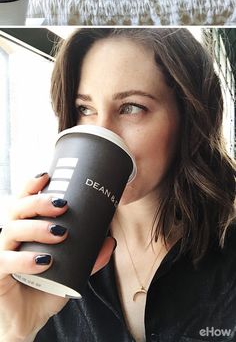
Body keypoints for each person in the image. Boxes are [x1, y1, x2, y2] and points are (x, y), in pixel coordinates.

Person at [0, 27, 235, 342]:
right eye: (85, 109)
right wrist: (17, 330)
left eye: (131, 108)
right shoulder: (34, 255)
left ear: (189, 118)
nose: (102, 131)